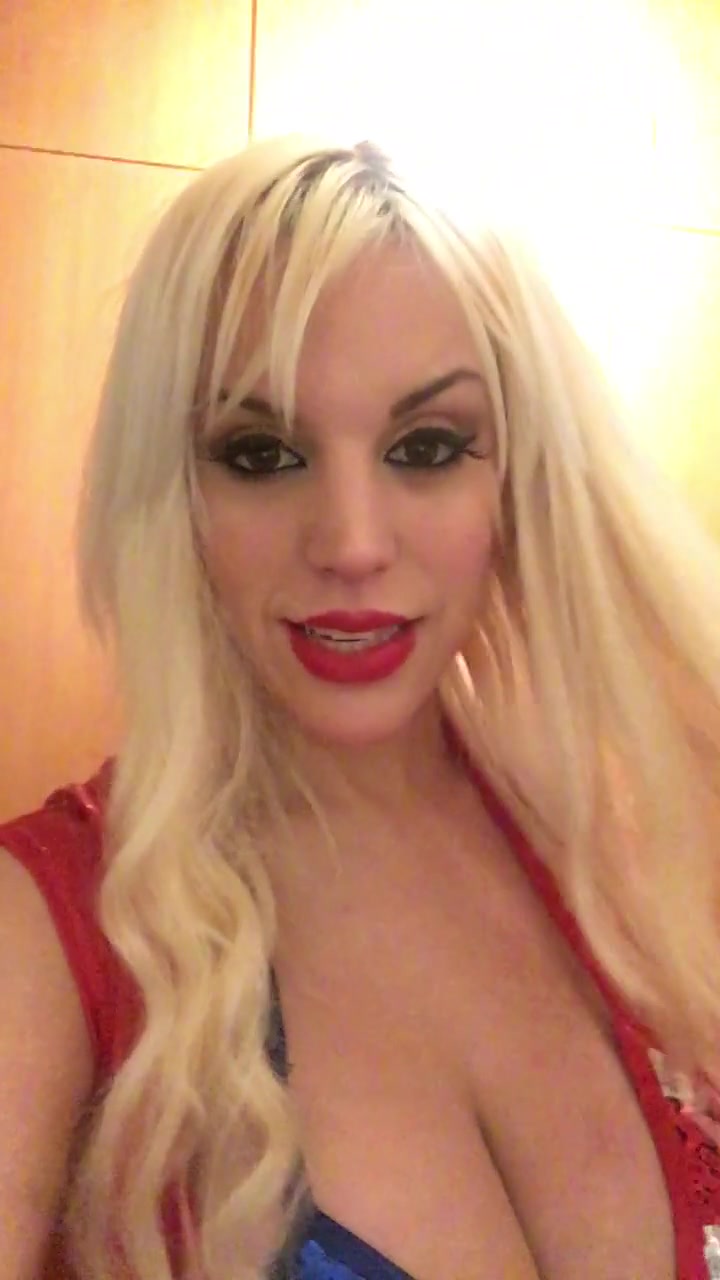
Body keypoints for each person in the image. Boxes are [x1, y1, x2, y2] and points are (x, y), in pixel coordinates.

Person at [2, 134, 720, 1280]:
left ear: (517, 474)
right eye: (261, 452)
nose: (350, 542)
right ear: (173, 490)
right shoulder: (48, 934)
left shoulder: (629, 866)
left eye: (426, 446)